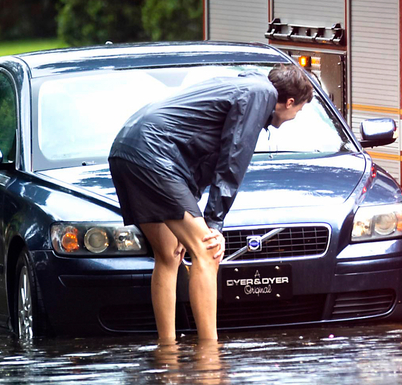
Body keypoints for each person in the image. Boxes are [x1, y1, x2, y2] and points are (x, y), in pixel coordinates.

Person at [108, 63, 312, 344]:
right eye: (298, 111)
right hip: (154, 152)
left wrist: (191, 213)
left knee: (169, 255)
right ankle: (209, 352)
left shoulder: (243, 86)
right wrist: (213, 223)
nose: (293, 117)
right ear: (289, 102)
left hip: (126, 148)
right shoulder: (260, 93)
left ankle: (167, 348)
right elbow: (234, 157)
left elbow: (200, 158)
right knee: (208, 250)